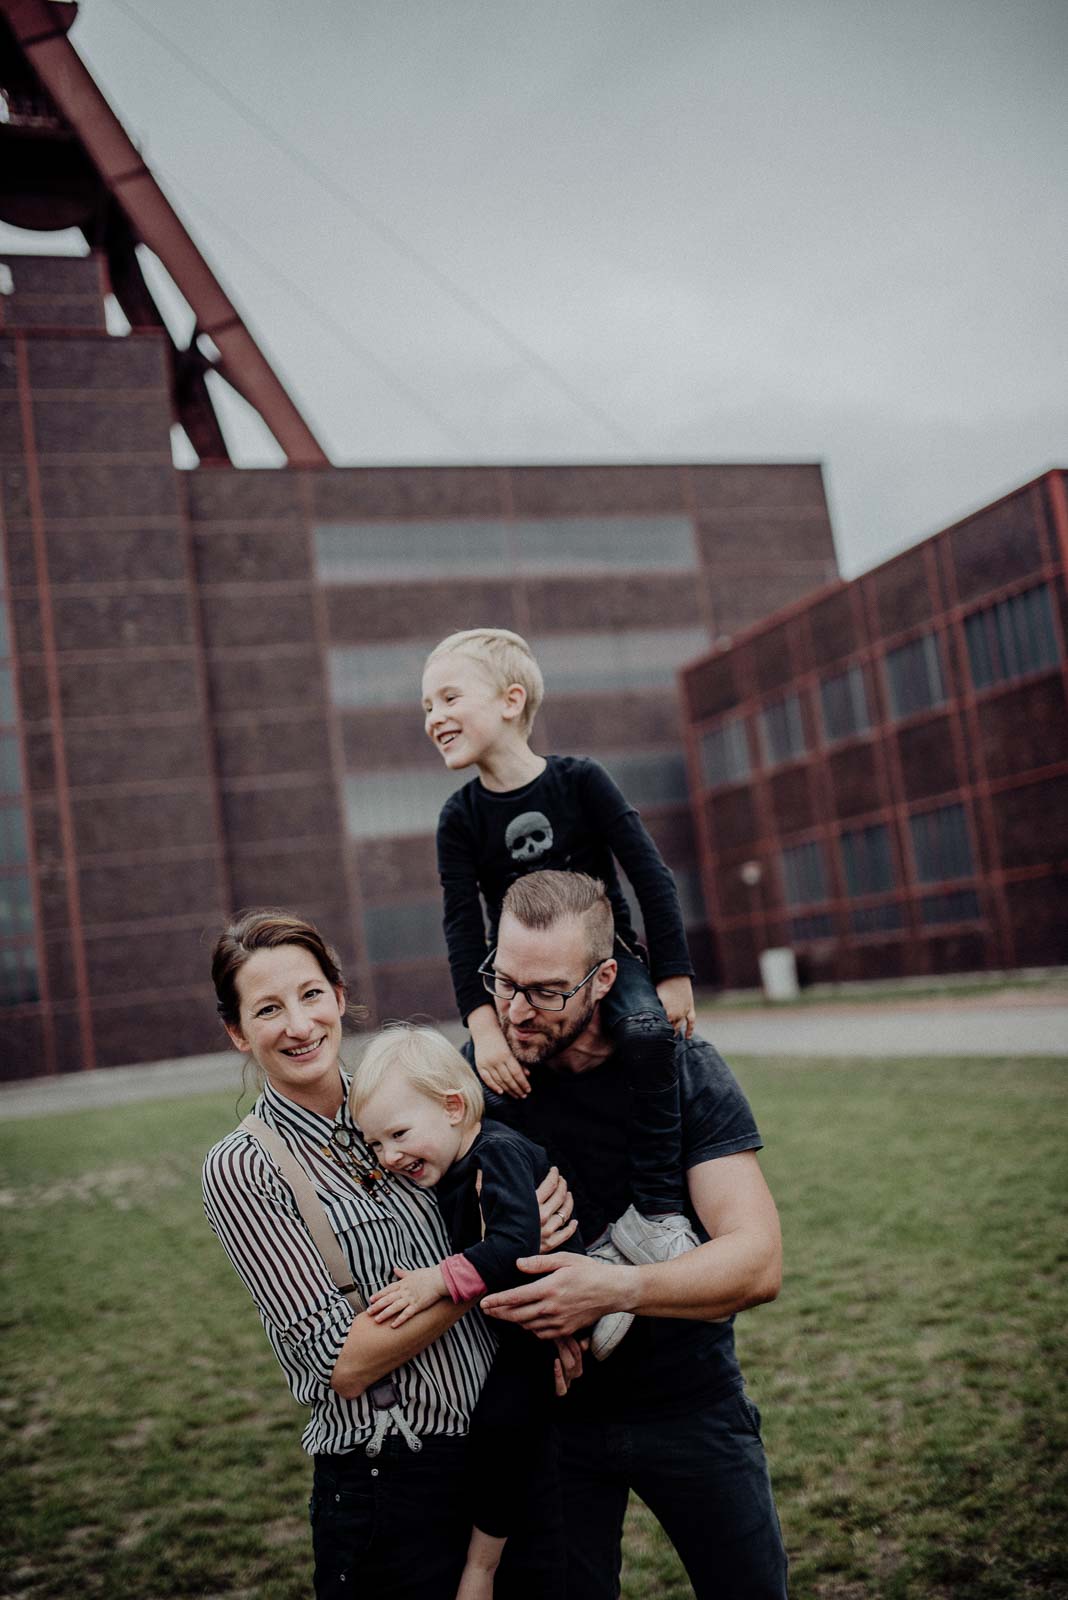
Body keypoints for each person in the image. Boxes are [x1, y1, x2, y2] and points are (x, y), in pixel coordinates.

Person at [201, 908, 579, 1600]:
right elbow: (341, 1362)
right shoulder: (245, 1166)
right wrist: (483, 1273)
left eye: (311, 995)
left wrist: (538, 1294)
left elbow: (498, 1219)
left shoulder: (406, 1100)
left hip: (508, 1449)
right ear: (237, 1032)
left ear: (340, 996)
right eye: (267, 1009)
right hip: (394, 1479)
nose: (299, 1023)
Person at [470, 870, 790, 1600]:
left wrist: (614, 1289)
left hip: (692, 1405)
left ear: (605, 977)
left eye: (546, 991)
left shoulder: (684, 1072)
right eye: (505, 981)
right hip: (549, 1427)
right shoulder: (478, 1082)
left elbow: (758, 1260)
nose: (516, 1011)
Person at [421, 627, 701, 1313]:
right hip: (514, 985)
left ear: (511, 700)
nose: (433, 718)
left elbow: (649, 874)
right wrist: (485, 1027)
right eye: (426, 707)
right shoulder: (460, 819)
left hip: (610, 966)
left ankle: (659, 1216)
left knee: (644, 1033)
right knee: (472, 1086)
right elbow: (462, 928)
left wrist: (671, 975)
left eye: (449, 697)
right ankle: (525, 1245)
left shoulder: (580, 781)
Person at [351, 1025, 613, 1600]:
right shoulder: (450, 1160)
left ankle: (481, 1569)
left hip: (546, 1309)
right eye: (374, 1145)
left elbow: (517, 1245)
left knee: (502, 1426)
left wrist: (435, 1282)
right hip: (519, 1315)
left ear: (452, 1107)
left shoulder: (495, 1153)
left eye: (397, 1134)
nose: (388, 1156)